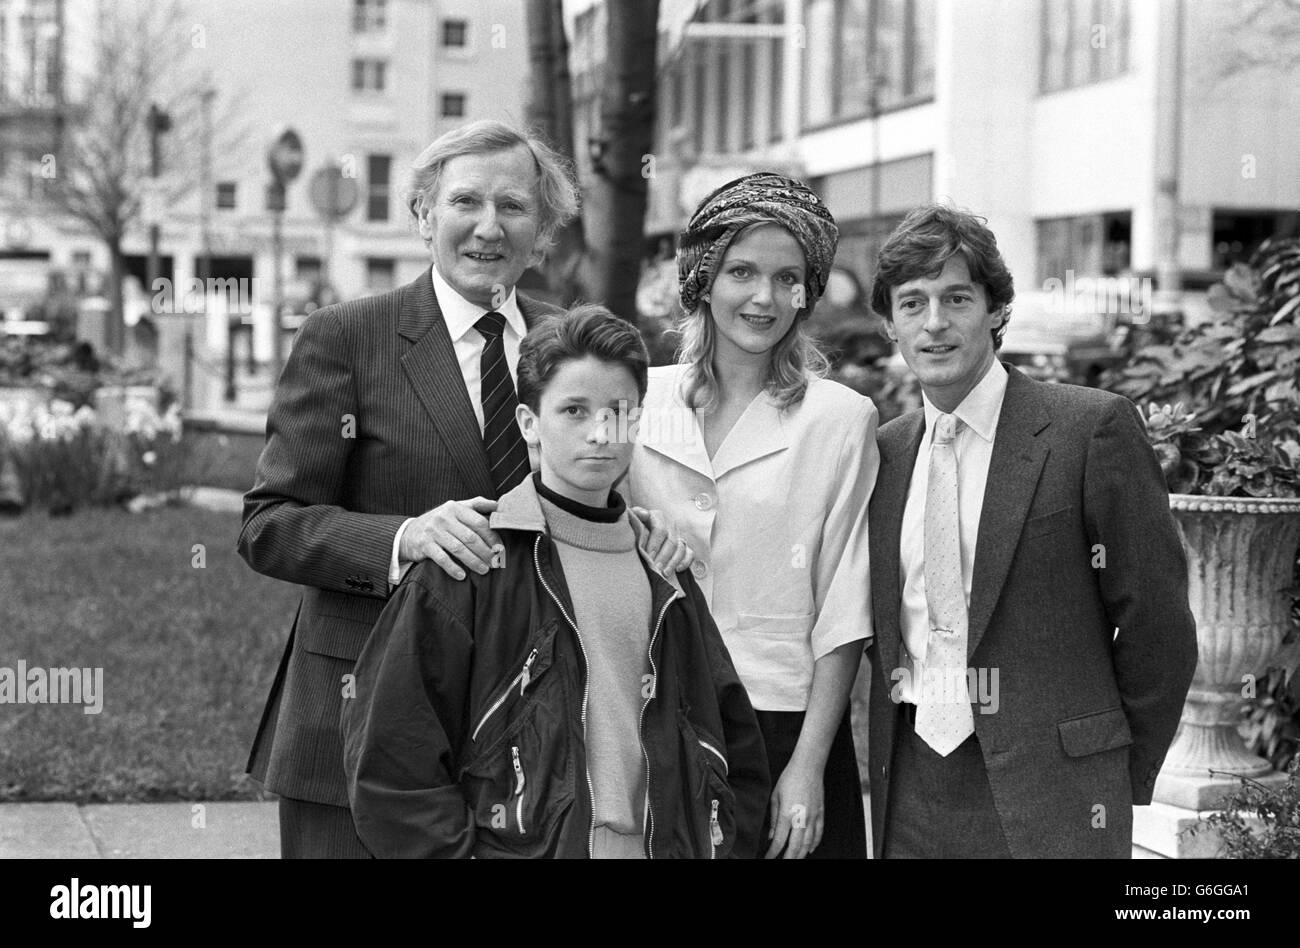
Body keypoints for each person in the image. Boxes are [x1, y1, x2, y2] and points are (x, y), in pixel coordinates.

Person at [238, 120, 689, 858]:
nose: (489, 227)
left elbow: (591, 492)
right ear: (423, 214)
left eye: (513, 206)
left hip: (532, 743)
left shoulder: (572, 339)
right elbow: (268, 524)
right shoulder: (346, 336)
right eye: (465, 202)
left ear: (543, 226)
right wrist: (402, 537)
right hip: (358, 724)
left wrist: (640, 531)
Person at [341, 305, 770, 858]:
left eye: (618, 412)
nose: (598, 432)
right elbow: (392, 754)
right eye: (573, 410)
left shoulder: (664, 568)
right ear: (528, 423)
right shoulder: (473, 562)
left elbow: (733, 740)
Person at [865, 204, 1197, 858]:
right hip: (910, 785)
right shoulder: (882, 453)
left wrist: (1111, 771)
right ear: (889, 326)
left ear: (995, 310)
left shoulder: (1089, 430)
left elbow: (1159, 624)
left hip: (1059, 795)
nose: (935, 323)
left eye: (956, 297)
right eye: (913, 303)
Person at [626, 173, 879, 859]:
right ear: (703, 280)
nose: (764, 297)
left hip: (782, 727)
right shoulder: (634, 404)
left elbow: (844, 610)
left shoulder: (840, 419)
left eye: (787, 277)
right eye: (742, 271)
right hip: (652, 715)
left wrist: (807, 766)